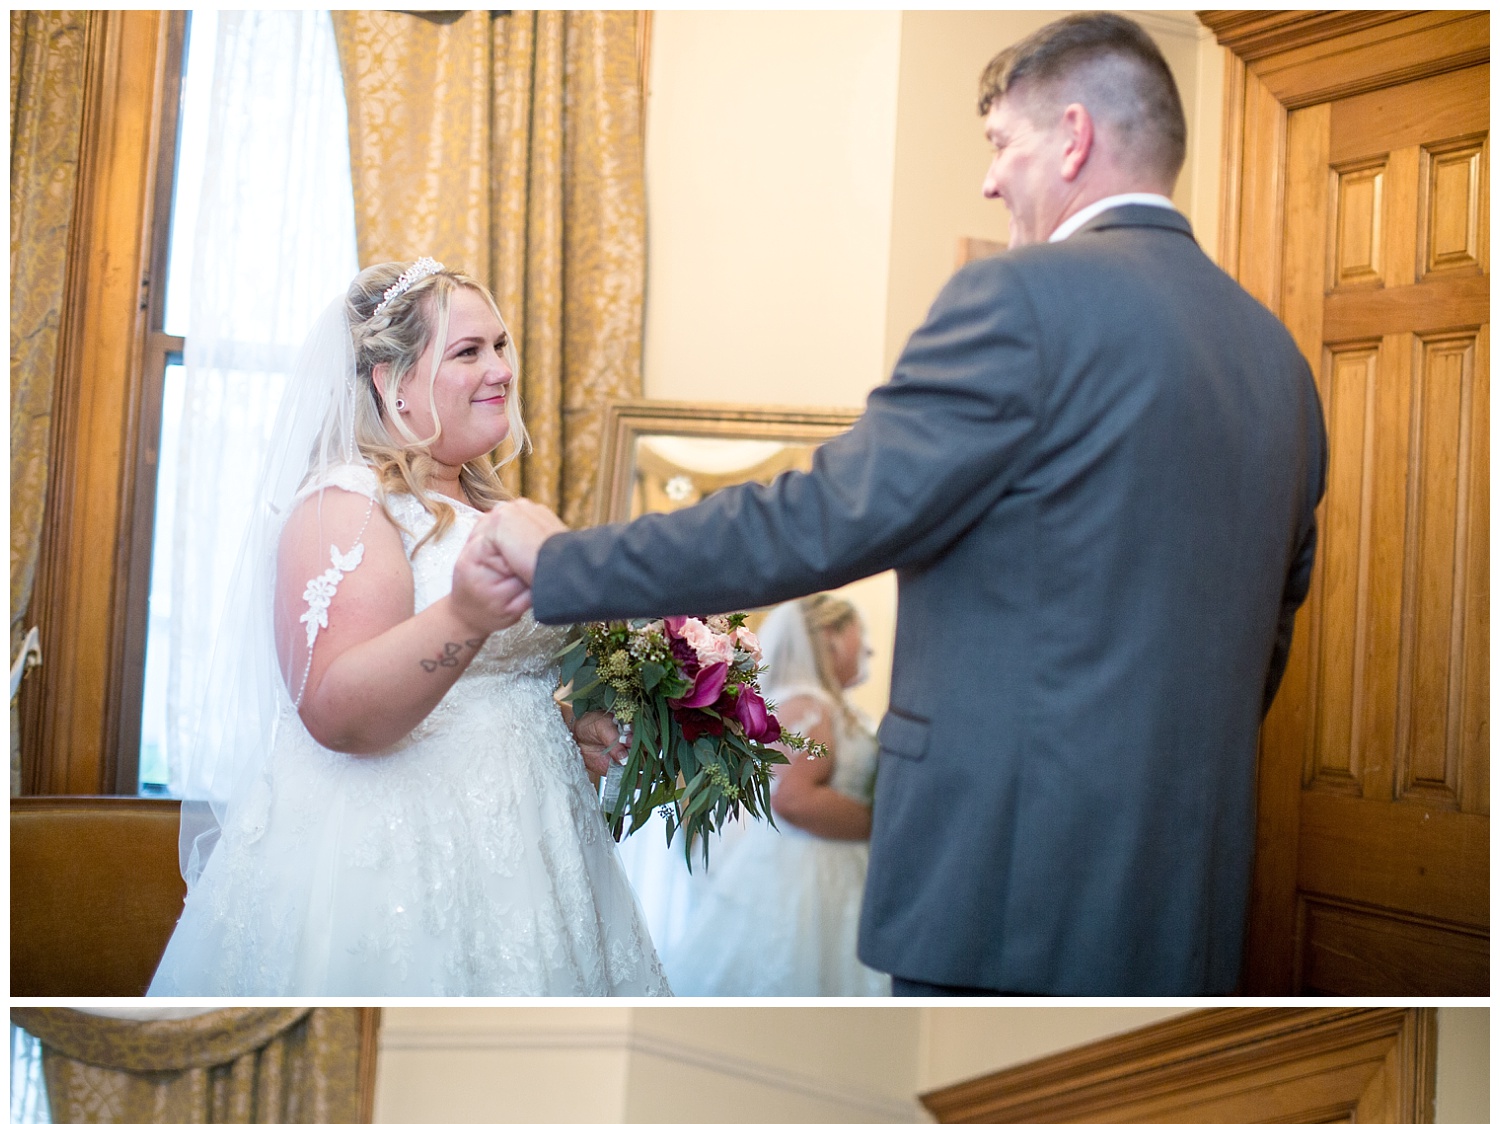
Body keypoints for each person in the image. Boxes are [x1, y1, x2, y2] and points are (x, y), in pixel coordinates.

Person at [474, 12, 1329, 997]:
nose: (989, 178)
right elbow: (1265, 638)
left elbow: (826, 515)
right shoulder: (1280, 363)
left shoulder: (1021, 299)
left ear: (1077, 137)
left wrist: (565, 564)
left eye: (1002, 143)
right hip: (1188, 898)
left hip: (1002, 892)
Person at [147, 258, 666, 997]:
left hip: (532, 841)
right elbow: (336, 710)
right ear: (391, 383)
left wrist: (568, 725)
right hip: (394, 849)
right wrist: (465, 616)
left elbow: (498, 686)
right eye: (468, 352)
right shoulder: (345, 504)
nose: (501, 370)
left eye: (501, 346)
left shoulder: (494, 511)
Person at [661, 594, 891, 995]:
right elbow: (793, 801)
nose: (867, 648)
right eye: (860, 634)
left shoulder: (814, 702)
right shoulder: (811, 706)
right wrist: (881, 823)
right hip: (816, 874)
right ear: (829, 636)